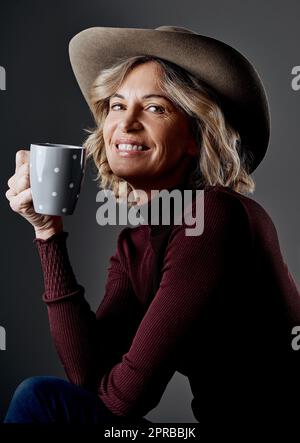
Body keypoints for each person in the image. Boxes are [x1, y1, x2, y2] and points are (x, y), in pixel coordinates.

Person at [4, 25, 300, 433]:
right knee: (45, 400)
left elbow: (125, 402)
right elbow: (88, 378)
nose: (126, 124)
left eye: (156, 108)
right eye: (116, 105)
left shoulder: (215, 216)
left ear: (196, 136)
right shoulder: (139, 241)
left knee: (41, 401)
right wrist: (47, 233)